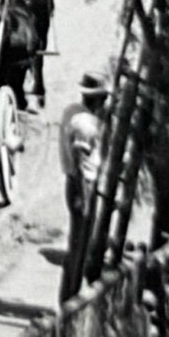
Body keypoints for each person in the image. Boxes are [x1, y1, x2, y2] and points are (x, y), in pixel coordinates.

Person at [62, 72, 111, 255]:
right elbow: (80, 162)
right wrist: (83, 196)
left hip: (76, 182)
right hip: (83, 184)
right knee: (83, 230)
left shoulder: (73, 114)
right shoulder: (86, 125)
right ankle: (76, 265)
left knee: (79, 231)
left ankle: (75, 260)